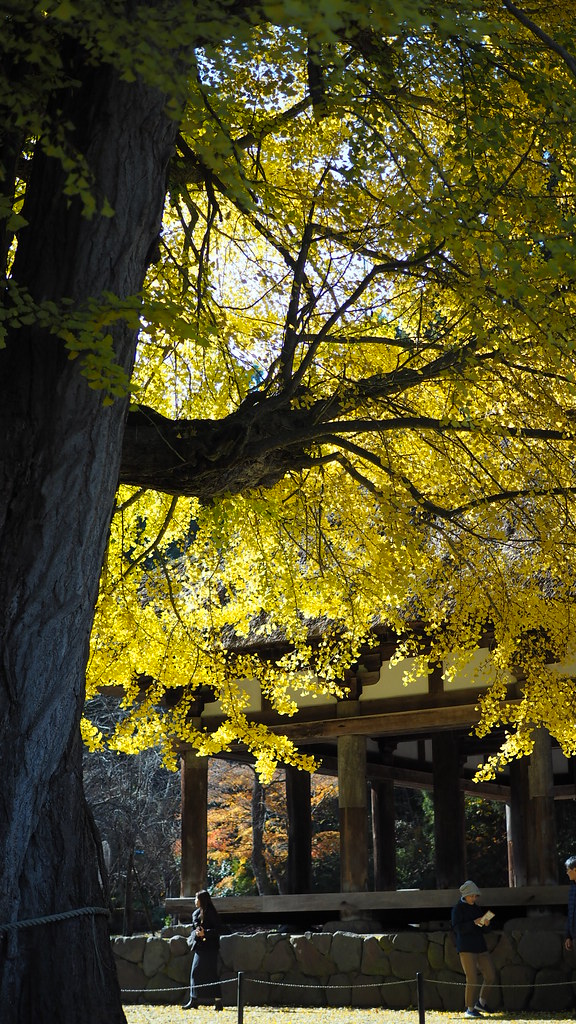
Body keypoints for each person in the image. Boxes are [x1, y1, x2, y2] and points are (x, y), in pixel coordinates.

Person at [451, 879, 496, 1018]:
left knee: (490, 976)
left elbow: (482, 929)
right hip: (466, 947)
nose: (474, 898)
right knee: (471, 978)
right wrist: (473, 922)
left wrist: (486, 923)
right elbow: (457, 928)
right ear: (465, 895)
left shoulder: (476, 907)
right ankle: (470, 1009)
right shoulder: (457, 909)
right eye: (472, 896)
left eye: (475, 896)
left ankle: (481, 1003)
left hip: (480, 946)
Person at [183, 890, 223, 1010]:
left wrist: (206, 933)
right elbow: (193, 930)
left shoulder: (212, 913)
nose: (195, 901)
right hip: (200, 947)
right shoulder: (195, 914)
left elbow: (218, 930)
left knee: (212, 973)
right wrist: (196, 934)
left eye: (197, 899)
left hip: (211, 947)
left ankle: (218, 1002)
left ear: (202, 900)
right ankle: (193, 999)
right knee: (195, 972)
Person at [564, 855, 576, 952]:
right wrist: (568, 936)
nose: (567, 872)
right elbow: (570, 913)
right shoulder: (572, 889)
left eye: (569, 870)